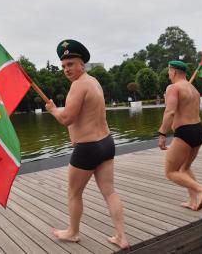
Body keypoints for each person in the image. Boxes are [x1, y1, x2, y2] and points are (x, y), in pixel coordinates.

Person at [45, 39, 129, 249]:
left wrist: (53, 110)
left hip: (88, 148)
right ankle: (121, 236)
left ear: (82, 64)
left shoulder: (77, 86)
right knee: (109, 191)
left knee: (74, 193)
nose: (67, 69)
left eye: (71, 64)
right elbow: (84, 114)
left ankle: (73, 232)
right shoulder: (94, 82)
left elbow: (67, 119)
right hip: (106, 142)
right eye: (64, 66)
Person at [157, 61, 202, 211]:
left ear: (173, 72)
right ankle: (194, 200)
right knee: (185, 168)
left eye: (169, 71)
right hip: (199, 130)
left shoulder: (173, 88)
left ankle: (200, 189)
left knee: (170, 172)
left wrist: (162, 133)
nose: (168, 74)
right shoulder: (194, 89)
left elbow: (170, 112)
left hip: (185, 132)